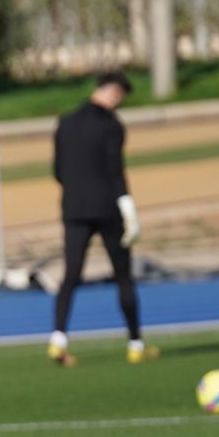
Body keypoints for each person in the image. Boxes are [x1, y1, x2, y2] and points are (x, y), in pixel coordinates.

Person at [48, 70, 157, 367]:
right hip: (107, 209)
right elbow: (114, 170)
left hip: (73, 209)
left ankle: (58, 338)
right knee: (123, 276)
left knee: (71, 275)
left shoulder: (65, 123)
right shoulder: (111, 126)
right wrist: (129, 210)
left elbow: (57, 170)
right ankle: (135, 343)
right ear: (114, 93)